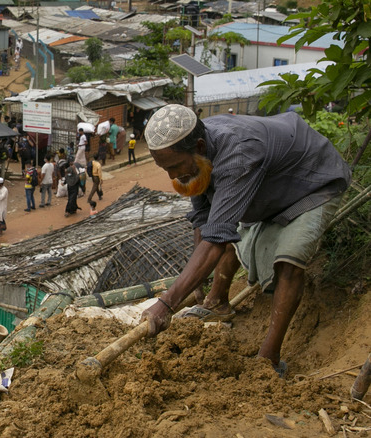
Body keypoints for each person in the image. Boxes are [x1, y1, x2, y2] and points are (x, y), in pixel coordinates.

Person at [139, 104, 350, 376]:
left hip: (312, 181)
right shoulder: (195, 154)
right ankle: (217, 303)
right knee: (222, 232)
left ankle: (269, 359)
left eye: (175, 166)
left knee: (289, 261)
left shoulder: (238, 154)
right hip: (270, 187)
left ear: (200, 147)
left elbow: (215, 240)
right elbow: (204, 219)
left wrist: (167, 304)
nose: (171, 175)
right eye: (163, 168)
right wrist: (195, 285)